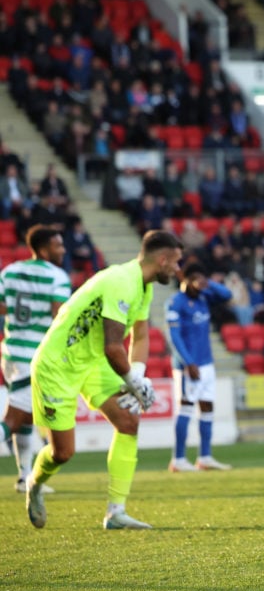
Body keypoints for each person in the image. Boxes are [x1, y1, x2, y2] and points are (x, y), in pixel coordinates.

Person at [26, 230, 183, 530]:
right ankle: (33, 484)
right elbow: (114, 347)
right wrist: (133, 383)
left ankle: (116, 512)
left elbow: (140, 335)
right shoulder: (121, 282)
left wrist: (137, 372)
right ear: (162, 260)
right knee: (63, 452)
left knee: (128, 422)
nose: (178, 269)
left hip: (93, 361)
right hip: (58, 364)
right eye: (175, 263)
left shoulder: (143, 285)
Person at [0, 226, 70, 494]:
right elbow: (59, 318)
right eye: (57, 245)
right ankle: (25, 476)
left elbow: (2, 307)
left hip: (10, 352)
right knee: (14, 419)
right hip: (34, 356)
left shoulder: (10, 272)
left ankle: (23, 477)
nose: (62, 250)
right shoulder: (57, 277)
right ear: (43, 249)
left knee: (26, 418)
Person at [165, 263, 234, 472]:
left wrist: (208, 281)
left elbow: (227, 294)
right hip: (188, 366)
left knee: (207, 408)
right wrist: (188, 362)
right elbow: (174, 336)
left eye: (202, 278)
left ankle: (204, 457)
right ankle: (178, 460)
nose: (200, 282)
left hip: (207, 363)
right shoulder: (175, 302)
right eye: (195, 278)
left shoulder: (204, 297)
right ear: (183, 278)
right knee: (185, 408)